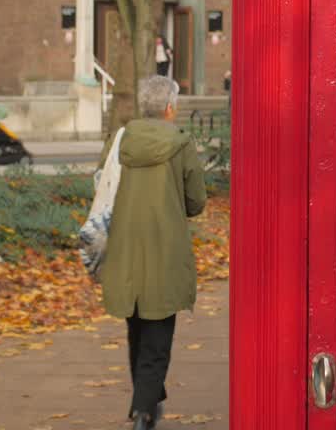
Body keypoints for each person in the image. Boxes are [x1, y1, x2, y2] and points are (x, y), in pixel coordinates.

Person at [99, 75, 206, 430]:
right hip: (165, 246)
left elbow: (103, 183)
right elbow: (196, 201)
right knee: (158, 334)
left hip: (126, 244)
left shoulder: (122, 139)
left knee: (137, 326)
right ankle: (144, 413)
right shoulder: (181, 143)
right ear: (170, 108)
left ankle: (147, 396)